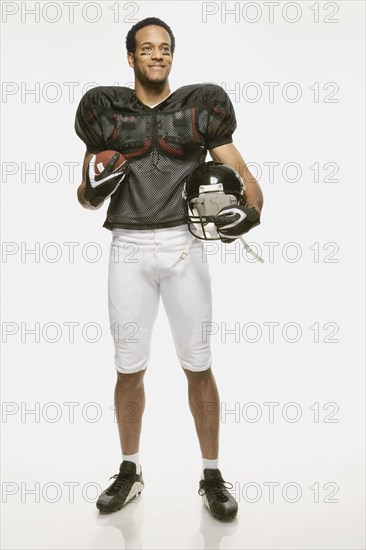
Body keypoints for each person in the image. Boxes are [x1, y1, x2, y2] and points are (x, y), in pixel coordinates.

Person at [75, 17, 263, 521]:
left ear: (171, 56)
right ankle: (130, 470)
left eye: (164, 49)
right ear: (130, 57)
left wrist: (253, 211)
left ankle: (212, 473)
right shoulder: (107, 112)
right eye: (146, 49)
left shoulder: (199, 108)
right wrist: (93, 190)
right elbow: (84, 194)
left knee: (198, 365)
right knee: (128, 367)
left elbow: (244, 175)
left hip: (185, 245)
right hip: (128, 247)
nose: (156, 56)